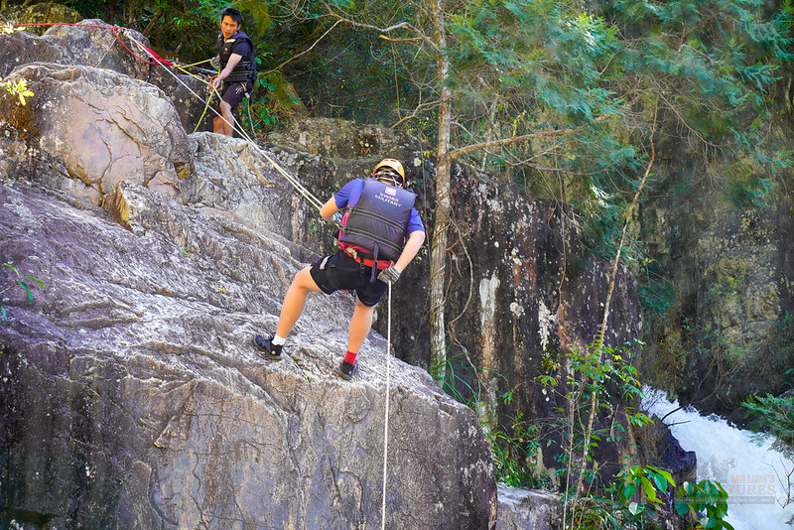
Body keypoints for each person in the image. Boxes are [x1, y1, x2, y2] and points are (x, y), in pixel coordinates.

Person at [254, 159, 426, 380]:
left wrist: (335, 219)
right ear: (400, 184)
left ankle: (276, 345)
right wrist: (398, 269)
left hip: (348, 262)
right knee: (364, 307)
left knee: (300, 282)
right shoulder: (407, 207)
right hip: (379, 273)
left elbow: (325, 212)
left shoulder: (359, 186)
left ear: (375, 175)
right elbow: (418, 236)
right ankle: (348, 364)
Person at [210, 7, 256, 137]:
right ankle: (218, 145)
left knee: (225, 106)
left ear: (238, 26)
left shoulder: (242, 43)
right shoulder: (222, 38)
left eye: (232, 26)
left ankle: (229, 143)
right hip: (229, 80)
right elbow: (223, 54)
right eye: (226, 24)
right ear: (221, 23)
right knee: (217, 117)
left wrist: (219, 78)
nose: (228, 29)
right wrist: (217, 59)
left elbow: (230, 66)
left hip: (242, 81)